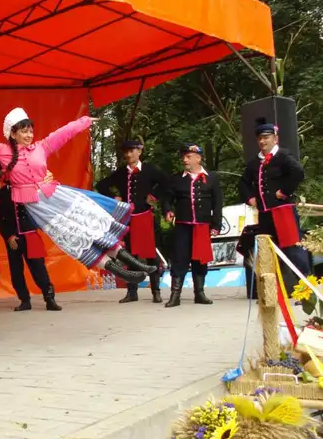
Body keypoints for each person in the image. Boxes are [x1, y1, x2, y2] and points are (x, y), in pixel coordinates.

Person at [0, 108, 155, 283]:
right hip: (40, 210)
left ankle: (137, 265)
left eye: (31, 131)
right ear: (12, 133)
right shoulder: (2, 150)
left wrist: (83, 122)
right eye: (24, 131)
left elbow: (63, 134)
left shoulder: (41, 147)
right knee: (74, 238)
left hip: (57, 197)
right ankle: (123, 273)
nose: (29, 135)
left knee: (91, 225)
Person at [238, 121, 308, 291]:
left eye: (266, 137)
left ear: (275, 139)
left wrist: (284, 191)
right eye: (260, 138)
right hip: (264, 213)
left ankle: (306, 289)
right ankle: (273, 292)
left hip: (283, 211)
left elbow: (298, 172)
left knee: (292, 249)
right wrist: (250, 198)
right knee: (268, 251)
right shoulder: (255, 162)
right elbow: (243, 183)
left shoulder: (283, 156)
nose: (263, 141)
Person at [95, 139, 168, 303]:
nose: (128, 154)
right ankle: (132, 292)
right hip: (128, 219)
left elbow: (166, 182)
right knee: (130, 255)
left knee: (151, 255)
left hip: (145, 216)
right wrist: (114, 198)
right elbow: (101, 185)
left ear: (139, 152)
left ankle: (156, 291)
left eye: (132, 151)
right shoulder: (122, 172)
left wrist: (154, 196)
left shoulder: (149, 170)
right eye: (126, 152)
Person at [161, 144, 223, 308]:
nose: (185, 160)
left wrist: (216, 225)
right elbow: (167, 198)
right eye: (183, 157)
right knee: (179, 258)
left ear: (198, 158)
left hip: (202, 225)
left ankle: (199, 293)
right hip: (183, 225)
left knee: (200, 259)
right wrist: (167, 210)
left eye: (188, 157)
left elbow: (217, 204)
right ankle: (175, 295)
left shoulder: (211, 178)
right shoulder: (176, 179)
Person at [0, 176, 61, 311]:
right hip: (13, 238)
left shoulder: (32, 189)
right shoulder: (1, 194)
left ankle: (49, 298)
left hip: (30, 235)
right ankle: (24, 300)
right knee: (16, 271)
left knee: (39, 268)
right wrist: (8, 236)